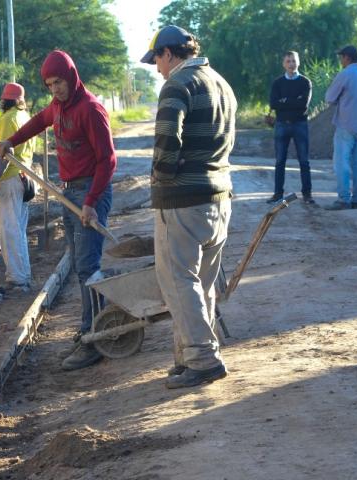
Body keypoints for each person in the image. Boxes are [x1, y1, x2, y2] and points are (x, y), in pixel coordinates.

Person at [0, 51, 117, 372]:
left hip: (90, 192)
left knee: (88, 266)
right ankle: (93, 325)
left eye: (58, 81)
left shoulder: (90, 109)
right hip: (70, 190)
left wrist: (91, 201)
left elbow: (108, 160)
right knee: (79, 263)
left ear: (71, 76)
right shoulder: (58, 108)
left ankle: (95, 336)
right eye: (49, 84)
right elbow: (37, 122)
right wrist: (9, 143)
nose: (55, 89)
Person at [141, 25, 237, 389]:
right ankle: (188, 354)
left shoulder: (178, 85)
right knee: (203, 283)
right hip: (218, 197)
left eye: (157, 61)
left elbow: (167, 139)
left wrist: (161, 178)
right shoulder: (220, 83)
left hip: (183, 201)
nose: (157, 69)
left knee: (178, 281)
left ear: (169, 53)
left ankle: (201, 358)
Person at [0, 82, 36, 292]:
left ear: (5, 100)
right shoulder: (24, 117)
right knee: (18, 230)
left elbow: (6, 154)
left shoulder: (8, 119)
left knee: (8, 230)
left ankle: (17, 279)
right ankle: (23, 275)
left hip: (9, 180)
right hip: (24, 179)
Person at [324, 45, 357, 210]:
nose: (340, 60)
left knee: (341, 162)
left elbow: (329, 98)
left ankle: (343, 199)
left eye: (341, 57)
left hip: (346, 125)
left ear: (346, 57)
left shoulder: (345, 74)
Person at [268, 50, 314, 205]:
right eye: (288, 61)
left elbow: (303, 105)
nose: (291, 64)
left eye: (293, 61)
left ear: (298, 62)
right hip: (281, 125)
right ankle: (277, 194)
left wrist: (284, 101)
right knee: (280, 161)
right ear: (283, 64)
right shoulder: (277, 83)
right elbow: (273, 104)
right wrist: (292, 101)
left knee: (304, 161)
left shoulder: (305, 82)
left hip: (300, 125)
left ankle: (307, 194)